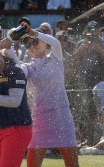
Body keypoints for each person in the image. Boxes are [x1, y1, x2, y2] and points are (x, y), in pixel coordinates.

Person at [19, 24, 79, 167]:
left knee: (72, 164)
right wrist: (8, 47)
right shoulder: (27, 66)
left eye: (34, 41)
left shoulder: (55, 57)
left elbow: (56, 43)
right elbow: (17, 69)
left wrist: (35, 33)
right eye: (28, 44)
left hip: (62, 115)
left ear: (44, 42)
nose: (31, 46)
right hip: (40, 118)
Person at [73, 20, 104, 145]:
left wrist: (98, 48)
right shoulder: (81, 43)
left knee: (100, 111)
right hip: (84, 82)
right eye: (89, 29)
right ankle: (88, 139)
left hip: (101, 82)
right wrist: (83, 47)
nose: (92, 32)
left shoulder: (102, 42)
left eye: (94, 29)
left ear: (98, 30)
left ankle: (100, 139)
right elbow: (73, 59)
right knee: (86, 111)